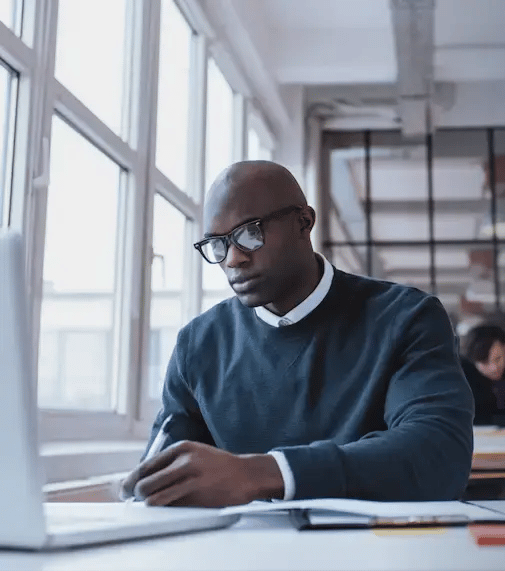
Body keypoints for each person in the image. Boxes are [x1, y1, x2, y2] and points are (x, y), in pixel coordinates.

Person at [120, 161, 474, 507]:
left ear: (304, 222)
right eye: (218, 244)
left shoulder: (405, 317)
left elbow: (439, 453)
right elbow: (162, 478)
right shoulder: (197, 346)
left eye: (250, 233)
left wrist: (261, 474)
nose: (232, 259)